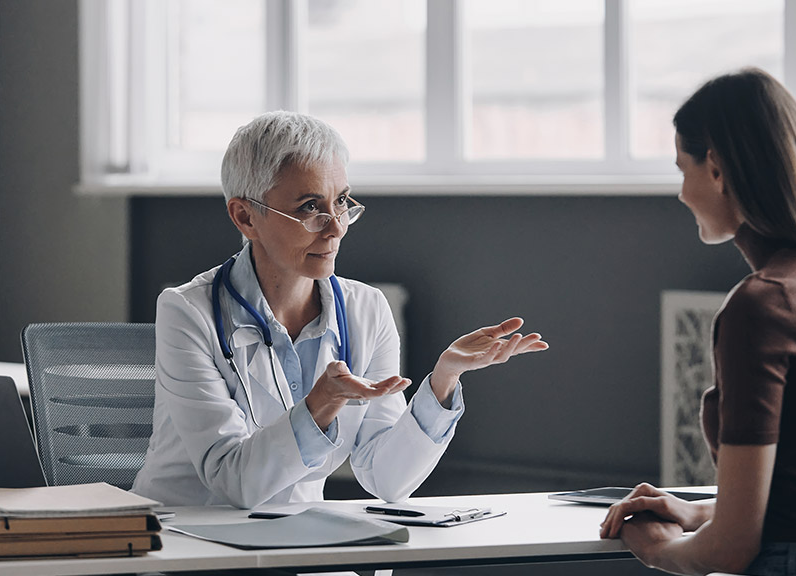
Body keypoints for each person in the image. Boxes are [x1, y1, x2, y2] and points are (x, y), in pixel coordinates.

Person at [132, 111, 548, 509]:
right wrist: (320, 405)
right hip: (184, 536)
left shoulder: (366, 310)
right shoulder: (187, 312)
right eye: (310, 207)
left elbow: (386, 479)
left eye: (342, 201)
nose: (335, 227)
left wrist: (443, 380)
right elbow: (233, 481)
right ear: (245, 217)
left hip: (295, 538)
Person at [599, 68, 796, 575]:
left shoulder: (764, 305)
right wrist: (698, 511)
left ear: (717, 167)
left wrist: (655, 548)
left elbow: (730, 550)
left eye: (684, 168)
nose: (681, 193)